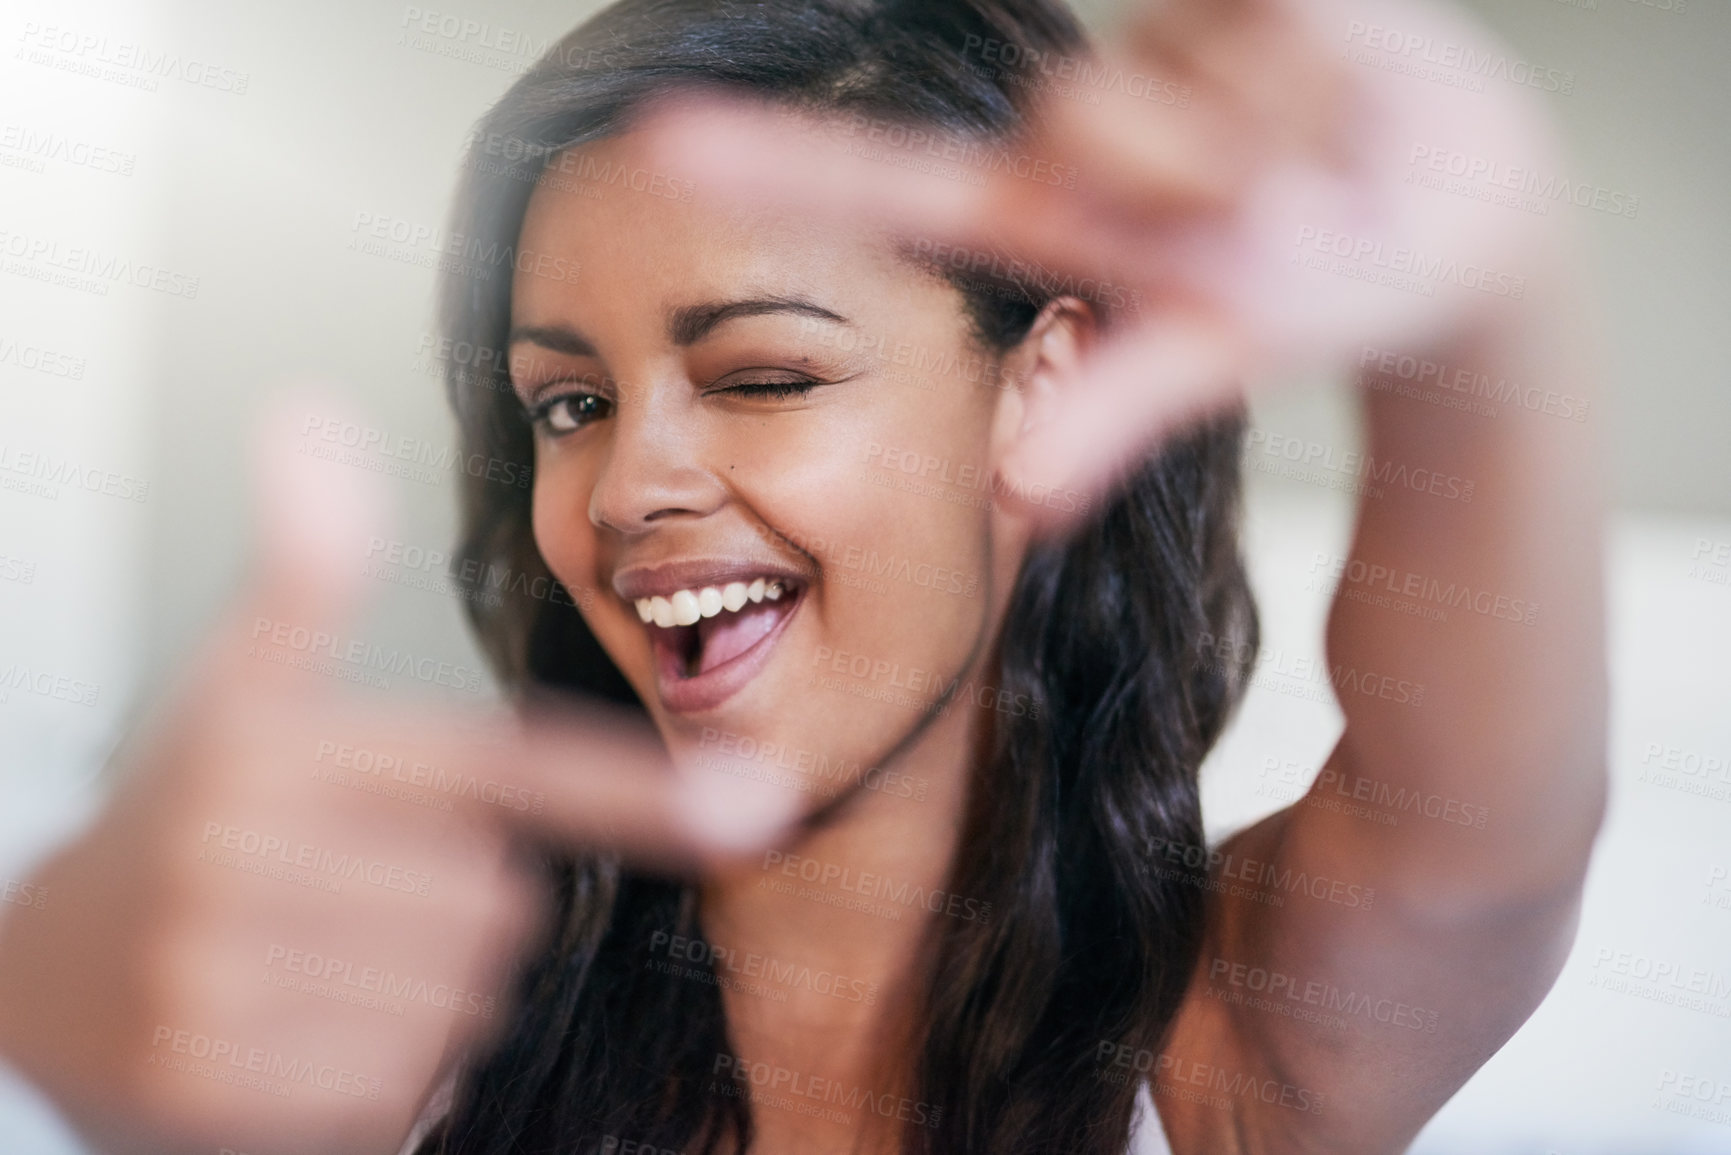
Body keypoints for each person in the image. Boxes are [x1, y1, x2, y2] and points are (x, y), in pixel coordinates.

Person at [0, 0, 1608, 1153]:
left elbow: (1485, 822)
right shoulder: (407, 1031)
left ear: (1040, 384)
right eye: (570, 405)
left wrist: (1483, 248)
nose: (628, 486)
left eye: (763, 376)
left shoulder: (1224, 1051)